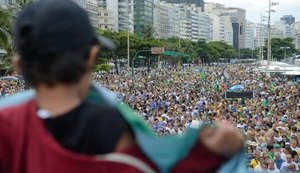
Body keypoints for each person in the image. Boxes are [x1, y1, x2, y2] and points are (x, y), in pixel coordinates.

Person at [0, 0, 244, 173]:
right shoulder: (110, 126)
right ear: (91, 57)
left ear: (19, 65)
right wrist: (207, 155)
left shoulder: (7, 123)